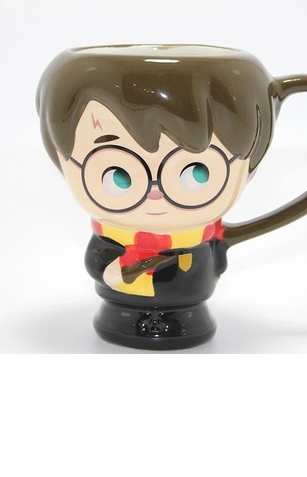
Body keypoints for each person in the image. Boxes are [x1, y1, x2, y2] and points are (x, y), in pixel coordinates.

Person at [36, 44, 275, 348]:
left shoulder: (201, 243)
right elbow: (99, 265)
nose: (155, 193)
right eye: (119, 174)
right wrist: (120, 269)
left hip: (193, 307)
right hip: (116, 313)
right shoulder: (111, 239)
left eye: (196, 172)